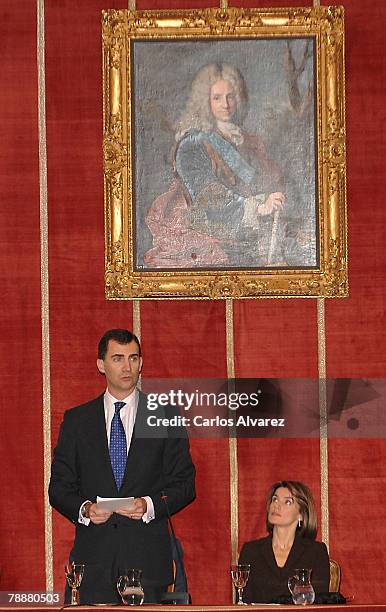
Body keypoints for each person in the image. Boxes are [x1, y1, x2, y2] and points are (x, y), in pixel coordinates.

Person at [49, 329, 195, 604]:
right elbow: (58, 488)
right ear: (101, 365)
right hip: (93, 563)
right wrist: (85, 509)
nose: (127, 367)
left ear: (141, 363)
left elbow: (185, 485)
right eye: (117, 358)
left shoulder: (164, 415)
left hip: (148, 562)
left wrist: (148, 505)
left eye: (134, 358)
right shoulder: (77, 421)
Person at [144, 63, 285, 268]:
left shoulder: (248, 140)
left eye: (230, 96)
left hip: (247, 231)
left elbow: (268, 180)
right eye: (217, 98)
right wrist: (260, 207)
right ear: (205, 101)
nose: (225, 104)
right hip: (209, 230)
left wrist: (275, 196)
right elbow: (209, 199)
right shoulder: (193, 144)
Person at [239, 480, 330, 603]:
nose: (277, 505)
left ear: (301, 515)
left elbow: (319, 602)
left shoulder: (316, 552)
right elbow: (242, 602)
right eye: (275, 499)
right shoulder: (250, 551)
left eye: (287, 502)